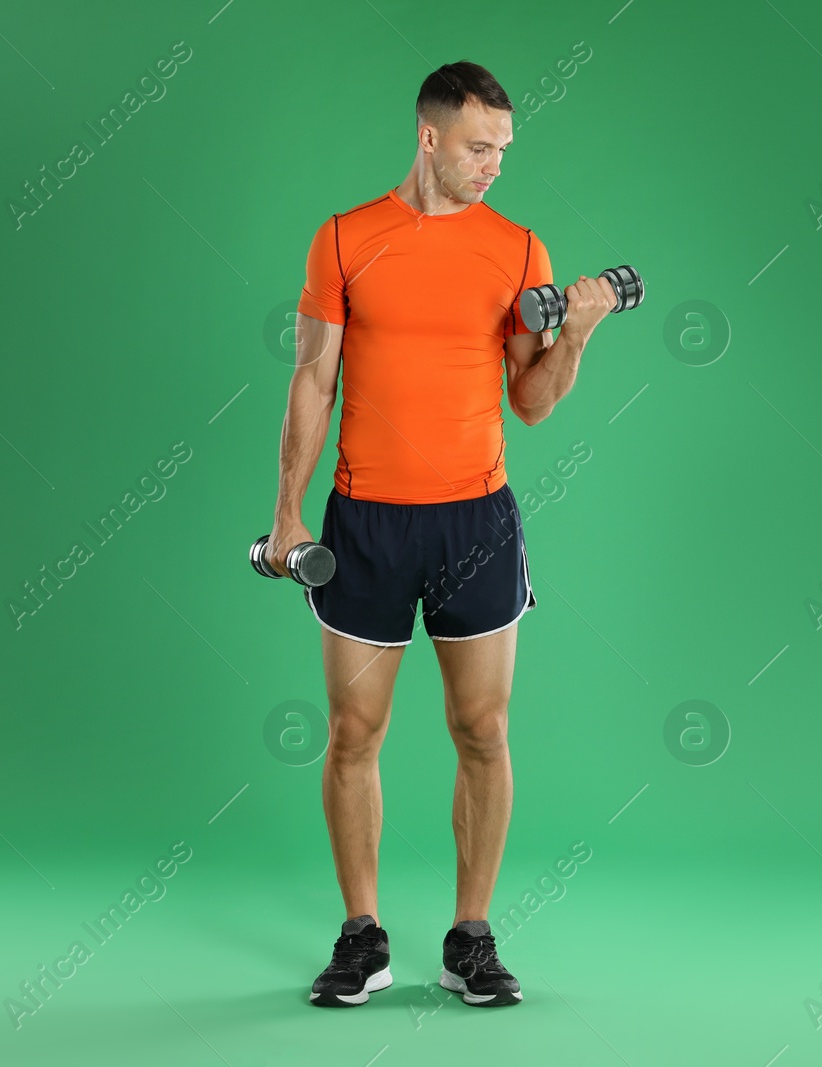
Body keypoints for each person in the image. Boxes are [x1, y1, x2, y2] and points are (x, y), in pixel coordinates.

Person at [265, 60, 615, 1008]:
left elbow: (532, 404)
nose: (494, 164)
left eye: (504, 148)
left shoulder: (519, 248)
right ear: (429, 137)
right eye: (478, 147)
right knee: (352, 733)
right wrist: (287, 513)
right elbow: (312, 380)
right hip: (364, 520)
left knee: (484, 729)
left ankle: (472, 935)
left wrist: (576, 334)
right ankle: (362, 934)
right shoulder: (345, 238)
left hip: (477, 520)